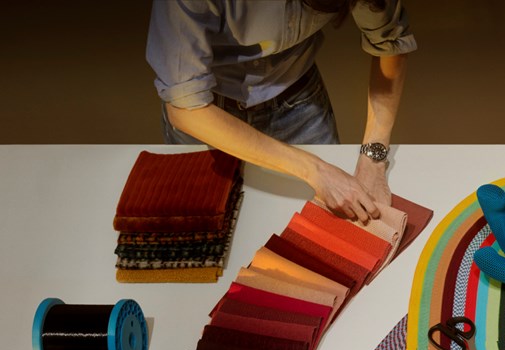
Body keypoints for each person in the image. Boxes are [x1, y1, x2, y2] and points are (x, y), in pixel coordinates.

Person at [147, 0, 415, 222]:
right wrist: (316, 171)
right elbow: (185, 109)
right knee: (198, 229)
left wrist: (373, 157)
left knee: (336, 227)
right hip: (208, 116)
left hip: (298, 100)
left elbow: (389, 42)